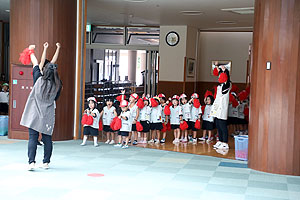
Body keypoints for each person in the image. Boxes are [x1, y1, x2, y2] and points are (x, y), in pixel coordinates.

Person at [20, 42, 62, 171]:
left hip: (34, 114)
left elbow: (36, 62)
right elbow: (50, 66)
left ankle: (31, 163)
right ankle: (46, 162)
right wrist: (58, 48)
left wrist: (34, 51)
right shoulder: (57, 85)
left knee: (32, 138)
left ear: (44, 70)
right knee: (47, 138)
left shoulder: (38, 79)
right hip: (47, 115)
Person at [211, 71, 231, 149]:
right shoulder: (219, 86)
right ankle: (220, 141)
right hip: (217, 108)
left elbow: (228, 81)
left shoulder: (227, 85)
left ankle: (225, 142)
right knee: (218, 125)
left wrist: (226, 72)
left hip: (222, 109)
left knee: (223, 127)